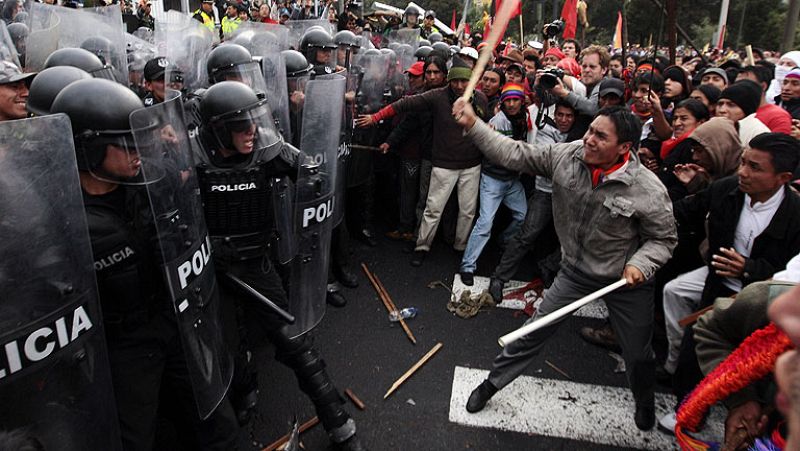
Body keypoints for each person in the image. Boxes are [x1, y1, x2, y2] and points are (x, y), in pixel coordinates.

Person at [452, 100, 677, 431]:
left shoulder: (647, 188)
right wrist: (473, 125)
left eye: (600, 136)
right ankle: (492, 384)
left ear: (624, 147)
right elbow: (513, 153)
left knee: (638, 353)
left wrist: (641, 264)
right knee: (532, 332)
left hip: (626, 282)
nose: (588, 139)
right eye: (589, 130)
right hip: (574, 272)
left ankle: (644, 403)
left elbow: (664, 239)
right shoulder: (565, 156)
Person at [51, 78, 240, 450]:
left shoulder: (150, 179)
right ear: (89, 148)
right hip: (125, 343)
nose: (138, 151)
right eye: (126, 143)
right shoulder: (63, 218)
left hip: (174, 318)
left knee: (218, 420)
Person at [190, 81, 366, 451]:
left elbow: (310, 171)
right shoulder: (192, 159)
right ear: (219, 129)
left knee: (294, 341)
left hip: (257, 265)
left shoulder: (268, 152)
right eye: (241, 126)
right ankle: (244, 394)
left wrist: (311, 175)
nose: (251, 132)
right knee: (224, 348)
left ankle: (336, 418)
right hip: (211, 272)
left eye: (253, 123)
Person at [659, 133, 800, 432]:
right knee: (693, 349)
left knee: (755, 367)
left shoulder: (796, 215)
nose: (743, 173)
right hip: (717, 288)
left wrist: (749, 269)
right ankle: (688, 409)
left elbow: (791, 271)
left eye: (755, 167)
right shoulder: (726, 190)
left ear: (783, 177)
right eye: (743, 162)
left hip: (764, 302)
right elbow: (685, 211)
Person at [356, 58, 490, 267]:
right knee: (432, 209)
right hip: (443, 164)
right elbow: (405, 104)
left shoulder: (480, 99)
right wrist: (376, 117)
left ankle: (461, 247)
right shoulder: (437, 97)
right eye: (455, 81)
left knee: (467, 211)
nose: (459, 86)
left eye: (464, 81)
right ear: (449, 81)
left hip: (471, 165)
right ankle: (422, 246)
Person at [487, 101, 577, 301]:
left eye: (569, 116)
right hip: (545, 191)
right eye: (560, 115)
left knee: (574, 240)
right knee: (526, 235)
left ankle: (549, 266)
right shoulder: (546, 131)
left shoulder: (581, 135)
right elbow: (545, 162)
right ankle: (499, 277)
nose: (563, 120)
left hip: (571, 195)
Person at [458, 83, 530, 285]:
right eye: (509, 101)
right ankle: (467, 266)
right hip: (494, 179)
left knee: (523, 216)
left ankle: (504, 241)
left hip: (512, 180)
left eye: (516, 100)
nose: (513, 104)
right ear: (503, 103)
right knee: (485, 223)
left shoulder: (526, 118)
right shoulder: (497, 121)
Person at [737, 65, 793, 134]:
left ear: (763, 86)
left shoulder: (777, 117)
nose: (738, 87)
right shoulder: (731, 111)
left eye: (745, 83)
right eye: (736, 83)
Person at [717, 80, 771, 145]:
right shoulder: (713, 128)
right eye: (720, 104)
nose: (722, 110)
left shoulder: (758, 133)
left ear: (746, 109)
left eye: (731, 105)